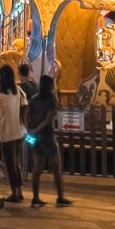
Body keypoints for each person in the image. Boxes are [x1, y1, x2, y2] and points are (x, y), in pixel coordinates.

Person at [26, 74, 70, 207]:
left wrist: (29, 128)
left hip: (35, 137)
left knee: (37, 168)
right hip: (47, 136)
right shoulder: (51, 100)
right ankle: (60, 196)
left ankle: (35, 197)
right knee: (56, 166)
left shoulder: (34, 99)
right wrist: (37, 129)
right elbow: (48, 120)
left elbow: (26, 114)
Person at [0, 63, 27, 201]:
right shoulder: (18, 91)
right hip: (19, 131)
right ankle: (19, 191)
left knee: (10, 164)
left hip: (7, 132)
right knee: (17, 163)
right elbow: (25, 107)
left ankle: (15, 193)